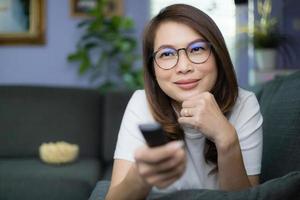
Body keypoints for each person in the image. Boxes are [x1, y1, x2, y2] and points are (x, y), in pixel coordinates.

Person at [105, 4, 263, 200]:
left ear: (218, 55)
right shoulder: (141, 103)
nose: (184, 67)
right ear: (152, 68)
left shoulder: (245, 104)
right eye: (167, 54)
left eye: (196, 49)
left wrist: (227, 138)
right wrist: (141, 175)